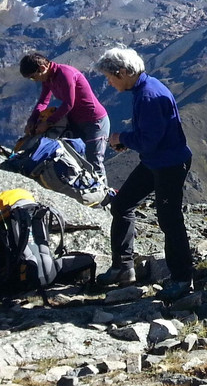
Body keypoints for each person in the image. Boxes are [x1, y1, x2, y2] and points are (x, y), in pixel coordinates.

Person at [94, 47, 194, 302]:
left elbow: (149, 140)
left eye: (111, 76)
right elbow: (151, 136)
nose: (109, 81)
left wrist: (121, 138)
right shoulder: (144, 88)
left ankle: (183, 279)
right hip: (156, 161)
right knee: (122, 204)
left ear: (125, 72)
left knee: (169, 220)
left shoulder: (148, 95)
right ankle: (123, 268)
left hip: (169, 164)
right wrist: (129, 141)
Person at [20, 51, 111, 182]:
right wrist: (33, 119)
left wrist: (48, 122)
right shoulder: (48, 78)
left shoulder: (65, 74)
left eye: (33, 77)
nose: (35, 80)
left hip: (95, 122)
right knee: (71, 156)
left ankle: (104, 199)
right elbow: (43, 101)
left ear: (42, 68)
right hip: (76, 122)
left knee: (94, 162)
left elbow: (69, 104)